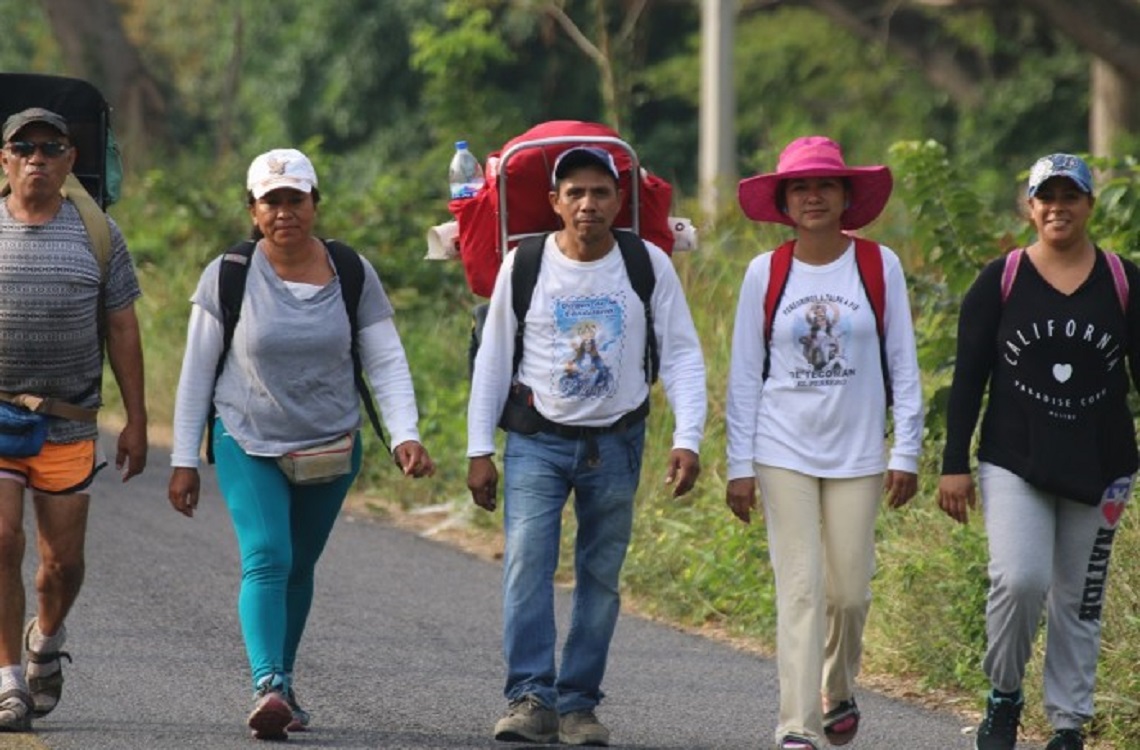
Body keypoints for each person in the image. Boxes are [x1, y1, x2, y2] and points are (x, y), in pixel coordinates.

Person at [166, 148, 434, 741]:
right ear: (254, 210)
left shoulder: (351, 272)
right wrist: (184, 459)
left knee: (299, 567)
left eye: (296, 199)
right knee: (268, 555)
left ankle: (282, 682)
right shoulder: (230, 273)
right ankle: (267, 684)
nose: (285, 212)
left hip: (331, 445)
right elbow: (196, 374)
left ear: (315, 204)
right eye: (272, 201)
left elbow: (386, 361)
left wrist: (405, 435)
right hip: (248, 438)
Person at [467, 146, 706, 746]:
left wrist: (689, 437)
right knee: (527, 565)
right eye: (574, 192)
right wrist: (478, 450)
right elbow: (494, 359)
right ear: (554, 203)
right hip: (536, 441)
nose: (587, 204)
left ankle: (577, 704)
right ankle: (529, 696)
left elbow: (680, 353)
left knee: (601, 575)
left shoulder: (645, 262)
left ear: (618, 202)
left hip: (618, 441)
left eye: (600, 192)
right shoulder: (525, 265)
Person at [726, 136, 923, 750]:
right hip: (781, 447)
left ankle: (836, 688)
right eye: (800, 188)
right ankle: (797, 726)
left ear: (845, 197)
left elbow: (904, 363)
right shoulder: (766, 272)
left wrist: (906, 451)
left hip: (859, 451)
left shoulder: (877, 265)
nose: (813, 197)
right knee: (803, 590)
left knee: (849, 592)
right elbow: (743, 375)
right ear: (784, 201)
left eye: (824, 186)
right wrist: (738, 465)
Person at [938, 153, 1139, 750]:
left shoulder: (1124, 281)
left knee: (1081, 597)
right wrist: (954, 463)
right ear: (1029, 208)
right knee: (1020, 580)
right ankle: (1003, 696)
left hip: (1102, 466)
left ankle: (1067, 725)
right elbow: (969, 377)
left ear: (1088, 206)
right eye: (1045, 197)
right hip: (1014, 457)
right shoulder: (999, 280)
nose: (1058, 207)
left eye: (1069, 196)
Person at [0, 107, 148, 732]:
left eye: (51, 146)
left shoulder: (100, 235)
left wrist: (136, 419)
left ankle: (46, 637)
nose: (37, 155)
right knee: (1, 542)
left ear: (70, 162)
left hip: (68, 420)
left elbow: (122, 326)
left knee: (61, 565)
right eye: (22, 145)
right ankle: (8, 680)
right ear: (3, 160)